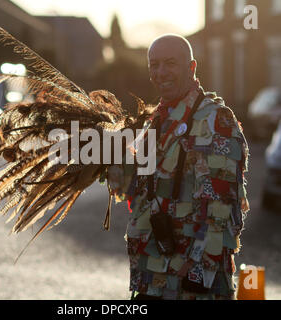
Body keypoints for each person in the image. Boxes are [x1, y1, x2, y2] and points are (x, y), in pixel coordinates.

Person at [106, 34, 250, 300]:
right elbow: (136, 188)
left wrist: (197, 277)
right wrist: (107, 156)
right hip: (152, 278)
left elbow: (220, 211)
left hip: (192, 286)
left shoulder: (216, 121)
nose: (161, 72)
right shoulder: (155, 122)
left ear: (192, 68)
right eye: (154, 64)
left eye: (170, 63)